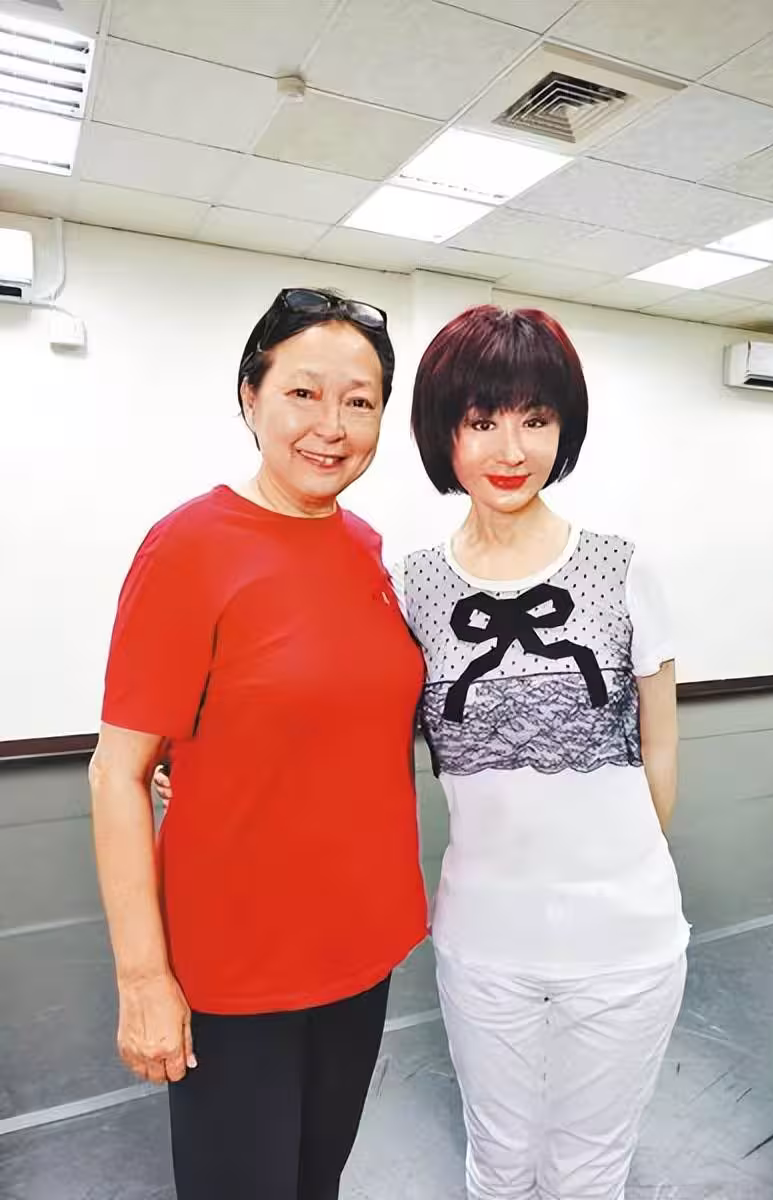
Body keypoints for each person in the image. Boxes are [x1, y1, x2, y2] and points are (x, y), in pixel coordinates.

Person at [89, 287, 428, 1200]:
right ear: (250, 396)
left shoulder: (364, 546)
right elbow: (118, 772)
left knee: (317, 1181)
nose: (332, 427)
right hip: (236, 968)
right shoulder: (189, 546)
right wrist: (144, 980)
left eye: (359, 401)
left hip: (360, 949)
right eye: (303, 393)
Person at [393, 304, 691, 1199]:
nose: (511, 449)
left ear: (564, 428)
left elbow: (662, 744)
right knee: (497, 1164)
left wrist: (615, 871)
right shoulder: (412, 586)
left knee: (590, 1172)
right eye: (481, 421)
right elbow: (353, 731)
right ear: (444, 431)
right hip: (483, 939)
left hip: (626, 940)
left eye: (536, 418)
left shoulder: (621, 566)